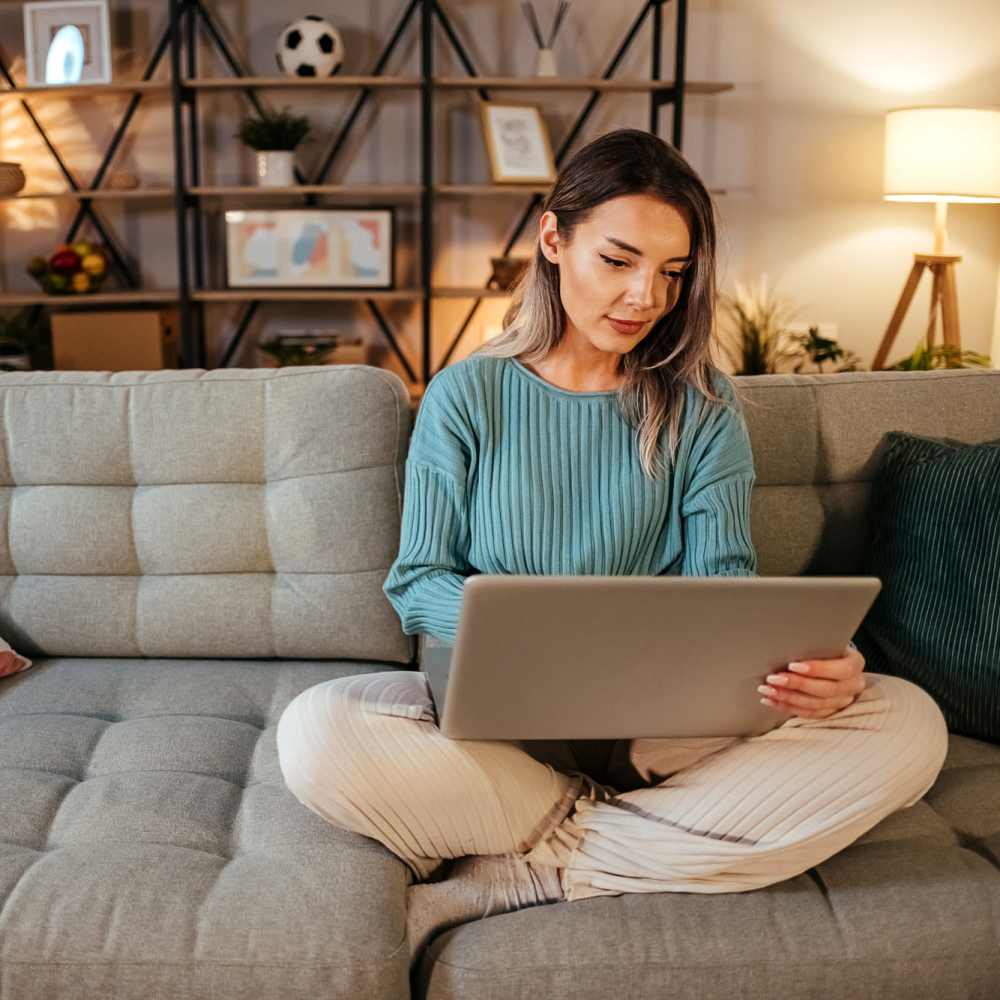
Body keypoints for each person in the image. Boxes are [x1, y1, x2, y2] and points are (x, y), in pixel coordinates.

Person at [275, 128, 948, 949]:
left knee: (909, 723)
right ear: (554, 240)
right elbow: (418, 581)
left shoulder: (701, 407)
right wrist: (525, 641)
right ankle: (645, 842)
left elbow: (722, 593)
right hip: (499, 736)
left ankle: (542, 863)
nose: (645, 298)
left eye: (672, 273)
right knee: (317, 731)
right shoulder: (467, 395)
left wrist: (811, 673)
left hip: (668, 738)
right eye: (619, 261)